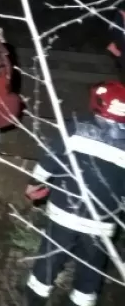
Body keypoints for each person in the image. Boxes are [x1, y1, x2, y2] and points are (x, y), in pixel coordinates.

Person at [22, 80, 125, 306]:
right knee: (90, 273)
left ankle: (33, 300)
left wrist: (33, 186)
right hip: (102, 224)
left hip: (64, 214)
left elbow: (50, 161)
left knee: (47, 263)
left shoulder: (76, 127)